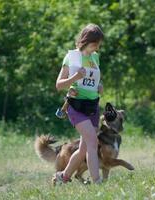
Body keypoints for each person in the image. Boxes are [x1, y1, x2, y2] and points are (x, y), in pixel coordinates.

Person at [54, 23, 104, 184]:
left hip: (93, 106)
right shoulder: (72, 57)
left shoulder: (95, 57)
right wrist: (74, 78)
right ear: (85, 40)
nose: (96, 47)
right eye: (94, 44)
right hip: (76, 106)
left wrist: (99, 86)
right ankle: (97, 182)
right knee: (92, 142)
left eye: (98, 45)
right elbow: (59, 84)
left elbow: (93, 79)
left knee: (83, 149)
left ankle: (63, 176)